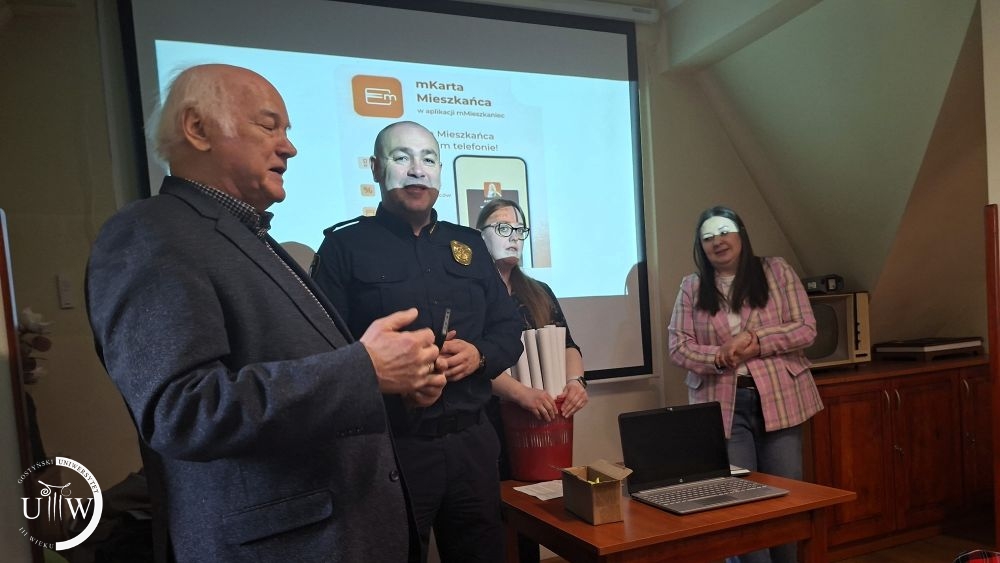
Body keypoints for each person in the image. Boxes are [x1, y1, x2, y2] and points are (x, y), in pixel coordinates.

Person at [86, 65, 446, 563]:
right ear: (197, 128)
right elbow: (181, 411)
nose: (289, 147)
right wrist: (365, 371)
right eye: (268, 125)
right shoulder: (150, 233)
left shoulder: (247, 234)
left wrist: (395, 387)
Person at [311, 121, 524, 563]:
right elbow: (325, 356)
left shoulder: (468, 244)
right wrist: (391, 381)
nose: (417, 170)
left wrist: (479, 355)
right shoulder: (343, 248)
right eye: (401, 157)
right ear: (376, 168)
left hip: (472, 443)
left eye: (429, 159)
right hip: (391, 449)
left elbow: (508, 329)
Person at [667, 205, 823, 563]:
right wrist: (721, 356)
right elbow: (678, 346)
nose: (717, 241)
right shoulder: (692, 287)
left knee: (786, 501)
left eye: (724, 232)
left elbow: (805, 328)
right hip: (723, 408)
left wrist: (755, 341)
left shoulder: (776, 271)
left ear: (741, 234)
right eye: (708, 237)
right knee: (740, 503)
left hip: (781, 400)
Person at [475, 198, 588, 563]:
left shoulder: (539, 291)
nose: (514, 237)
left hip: (539, 428)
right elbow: (474, 360)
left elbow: (569, 345)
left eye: (519, 230)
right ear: (479, 235)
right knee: (491, 529)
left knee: (529, 523)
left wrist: (576, 382)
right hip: (487, 424)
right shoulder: (470, 293)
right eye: (502, 228)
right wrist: (520, 393)